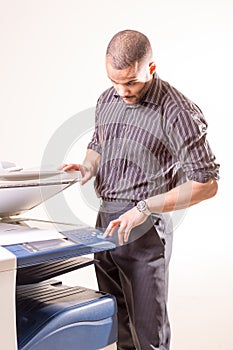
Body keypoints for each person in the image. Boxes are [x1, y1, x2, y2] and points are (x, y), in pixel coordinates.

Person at [62, 30, 219, 350]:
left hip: (146, 227)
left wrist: (144, 208)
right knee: (118, 326)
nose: (122, 91)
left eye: (131, 82)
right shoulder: (107, 98)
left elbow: (207, 184)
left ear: (150, 68)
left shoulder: (177, 111)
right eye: (115, 82)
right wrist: (87, 167)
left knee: (149, 336)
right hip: (105, 222)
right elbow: (98, 145)